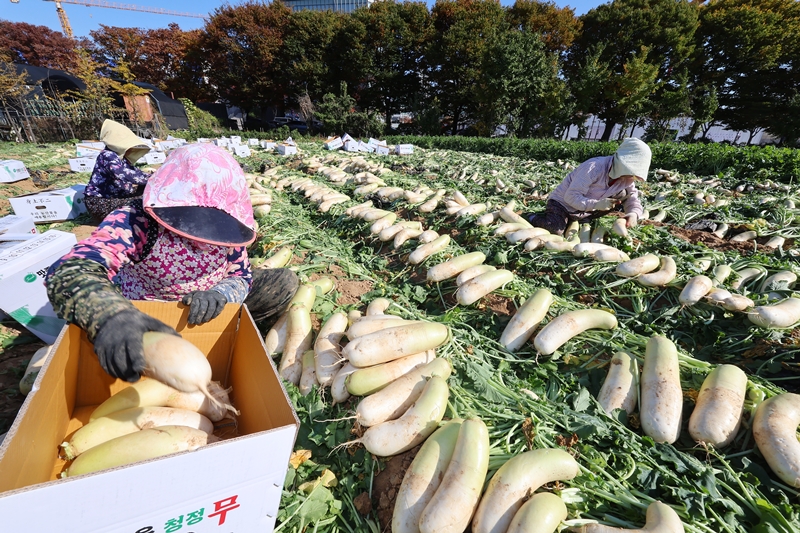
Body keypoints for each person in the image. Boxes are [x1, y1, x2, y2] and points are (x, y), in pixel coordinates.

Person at [46, 143, 299, 382]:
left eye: (213, 223)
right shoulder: (137, 220)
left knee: (284, 282)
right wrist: (110, 314)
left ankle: (225, 329)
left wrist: (221, 294)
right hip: (149, 313)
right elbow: (71, 269)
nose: (202, 235)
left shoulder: (232, 229)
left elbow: (241, 275)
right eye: (192, 220)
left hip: (208, 306)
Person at [524, 138, 650, 235]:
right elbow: (571, 197)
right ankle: (531, 216)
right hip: (563, 204)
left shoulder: (627, 179)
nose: (631, 175)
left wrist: (634, 214)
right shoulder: (594, 167)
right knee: (555, 230)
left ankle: (581, 219)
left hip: (586, 209)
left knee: (623, 194)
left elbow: (633, 199)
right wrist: (596, 205)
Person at [84, 119, 153, 223]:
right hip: (100, 203)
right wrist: (151, 178)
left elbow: (135, 172)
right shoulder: (107, 155)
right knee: (142, 202)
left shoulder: (121, 159)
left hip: (115, 198)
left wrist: (154, 176)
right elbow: (122, 173)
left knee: (146, 191)